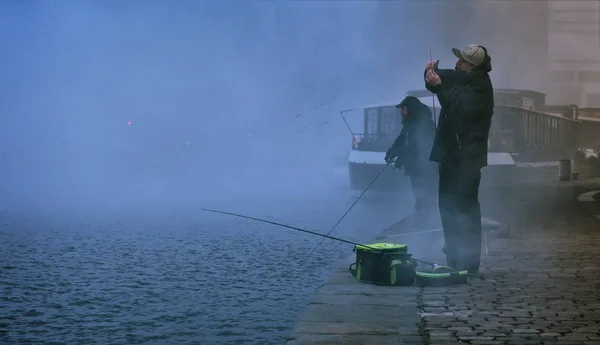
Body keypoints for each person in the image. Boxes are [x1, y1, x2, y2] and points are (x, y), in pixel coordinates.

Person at [424, 44, 494, 274]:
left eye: (462, 61)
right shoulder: (463, 76)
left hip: (467, 158)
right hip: (451, 154)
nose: (457, 63)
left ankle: (469, 261)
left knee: (465, 208)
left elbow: (455, 106)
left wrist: (438, 85)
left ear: (472, 66)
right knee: (447, 205)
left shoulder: (480, 87)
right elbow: (440, 81)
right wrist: (429, 72)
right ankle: (455, 258)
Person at [384, 96, 437, 220]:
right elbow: (401, 141)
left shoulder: (424, 123)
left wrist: (400, 160)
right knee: (418, 193)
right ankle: (422, 218)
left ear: (411, 108)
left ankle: (427, 221)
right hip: (416, 168)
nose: (401, 111)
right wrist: (391, 153)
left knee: (425, 195)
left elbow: (416, 147)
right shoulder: (410, 123)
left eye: (403, 108)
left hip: (425, 168)